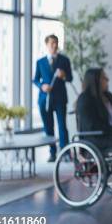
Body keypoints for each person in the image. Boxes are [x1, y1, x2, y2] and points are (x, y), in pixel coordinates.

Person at [32, 34, 72, 162]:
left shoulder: (64, 60)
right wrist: (42, 86)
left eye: (56, 42)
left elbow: (70, 78)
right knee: (48, 127)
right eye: (52, 43)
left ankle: (65, 152)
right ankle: (52, 153)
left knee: (62, 126)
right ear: (47, 45)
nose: (55, 45)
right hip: (45, 99)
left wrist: (64, 75)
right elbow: (35, 79)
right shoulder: (40, 62)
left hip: (60, 98)